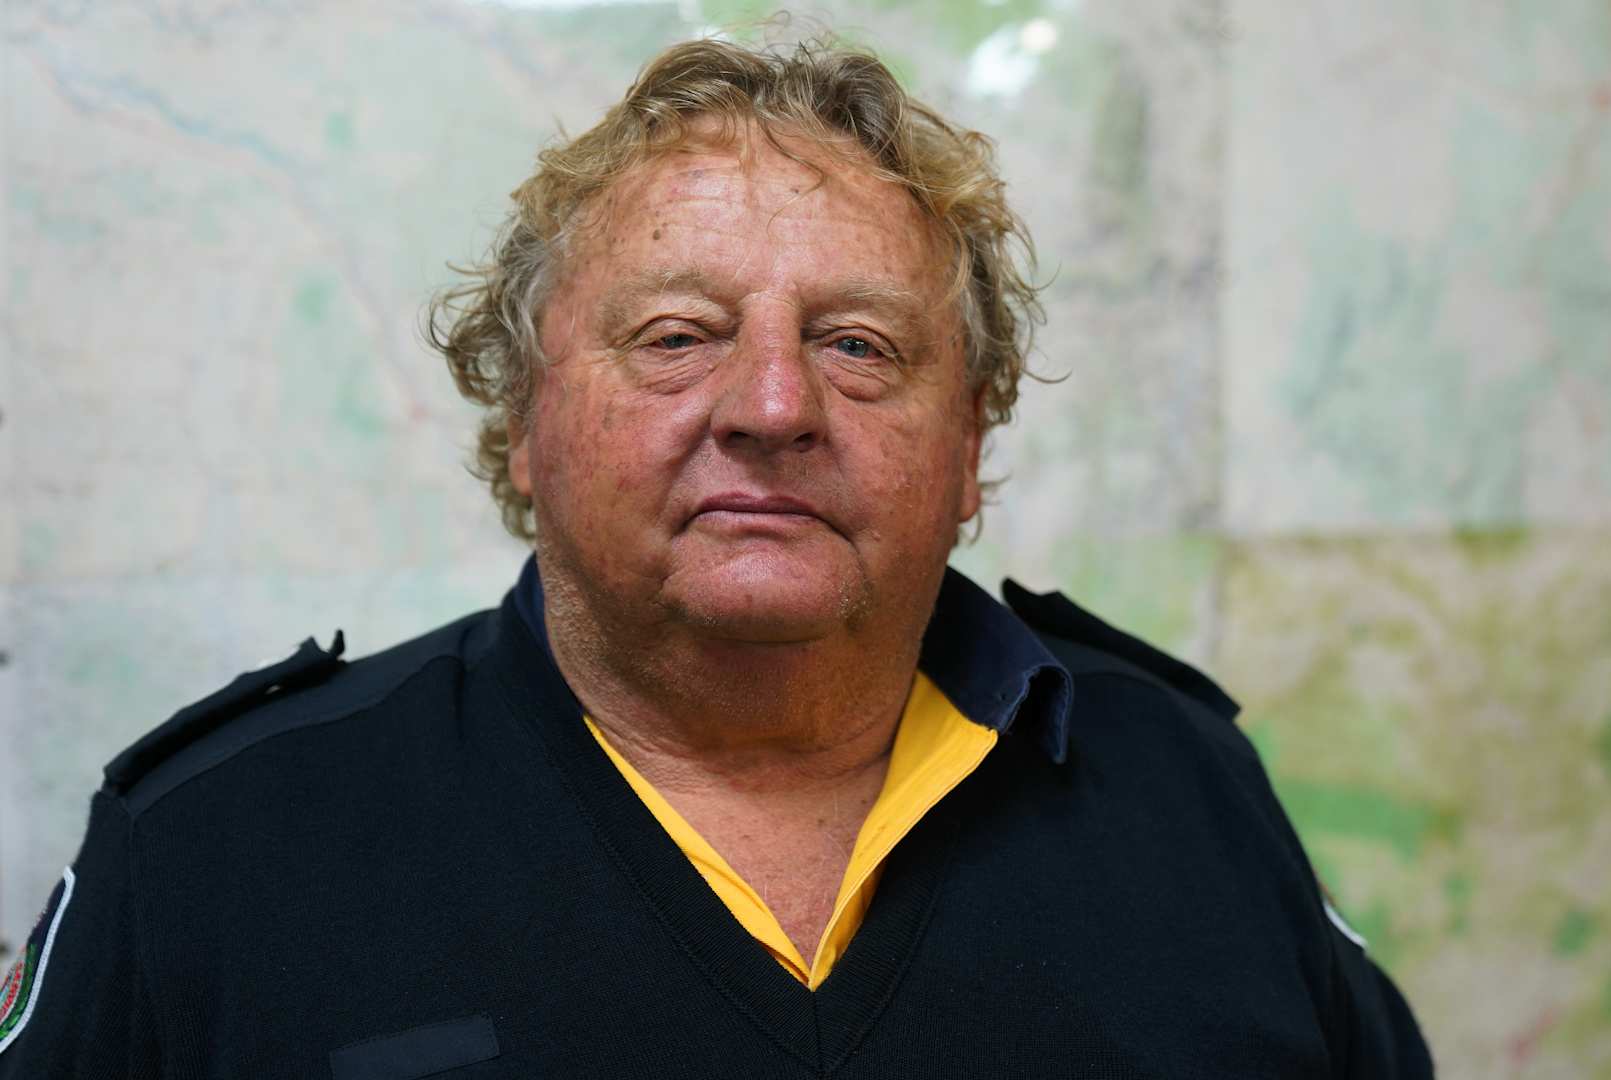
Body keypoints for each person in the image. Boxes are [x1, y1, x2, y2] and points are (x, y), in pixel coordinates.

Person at [0, 35, 1431, 1078]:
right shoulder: (215, 848)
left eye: (858, 345)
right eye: (677, 335)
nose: (773, 405)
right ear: (524, 422)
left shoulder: (1187, 788)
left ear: (970, 446)